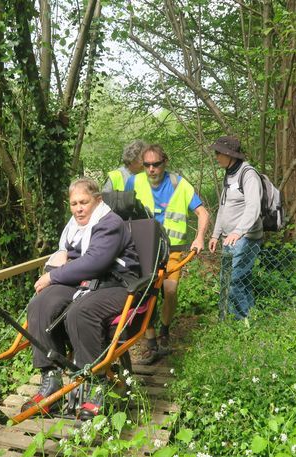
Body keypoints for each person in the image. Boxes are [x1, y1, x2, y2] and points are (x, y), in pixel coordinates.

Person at [24, 178, 140, 420]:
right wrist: (56, 266)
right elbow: (70, 256)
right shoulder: (74, 226)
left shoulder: (110, 223)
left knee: (81, 311)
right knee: (40, 304)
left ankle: (97, 384)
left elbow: (95, 262)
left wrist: (54, 276)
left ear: (97, 200)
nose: (78, 208)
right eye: (74, 203)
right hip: (84, 282)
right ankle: (51, 379)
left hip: (116, 284)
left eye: (84, 202)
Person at [125, 144, 210, 364]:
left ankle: (165, 330)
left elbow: (202, 212)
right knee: (145, 294)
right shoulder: (134, 182)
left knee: (170, 291)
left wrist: (199, 237)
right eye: (147, 165)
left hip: (172, 250)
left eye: (156, 164)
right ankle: (150, 341)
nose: (151, 169)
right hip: (143, 249)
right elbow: (120, 213)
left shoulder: (178, 184)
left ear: (165, 162)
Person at [207, 136, 263, 320]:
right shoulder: (229, 173)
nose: (216, 156)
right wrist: (215, 235)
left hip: (246, 238)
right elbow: (224, 206)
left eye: (219, 153)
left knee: (234, 280)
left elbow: (253, 207)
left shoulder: (248, 175)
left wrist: (238, 232)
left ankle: (243, 321)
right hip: (229, 238)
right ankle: (241, 317)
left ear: (230, 155)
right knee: (235, 280)